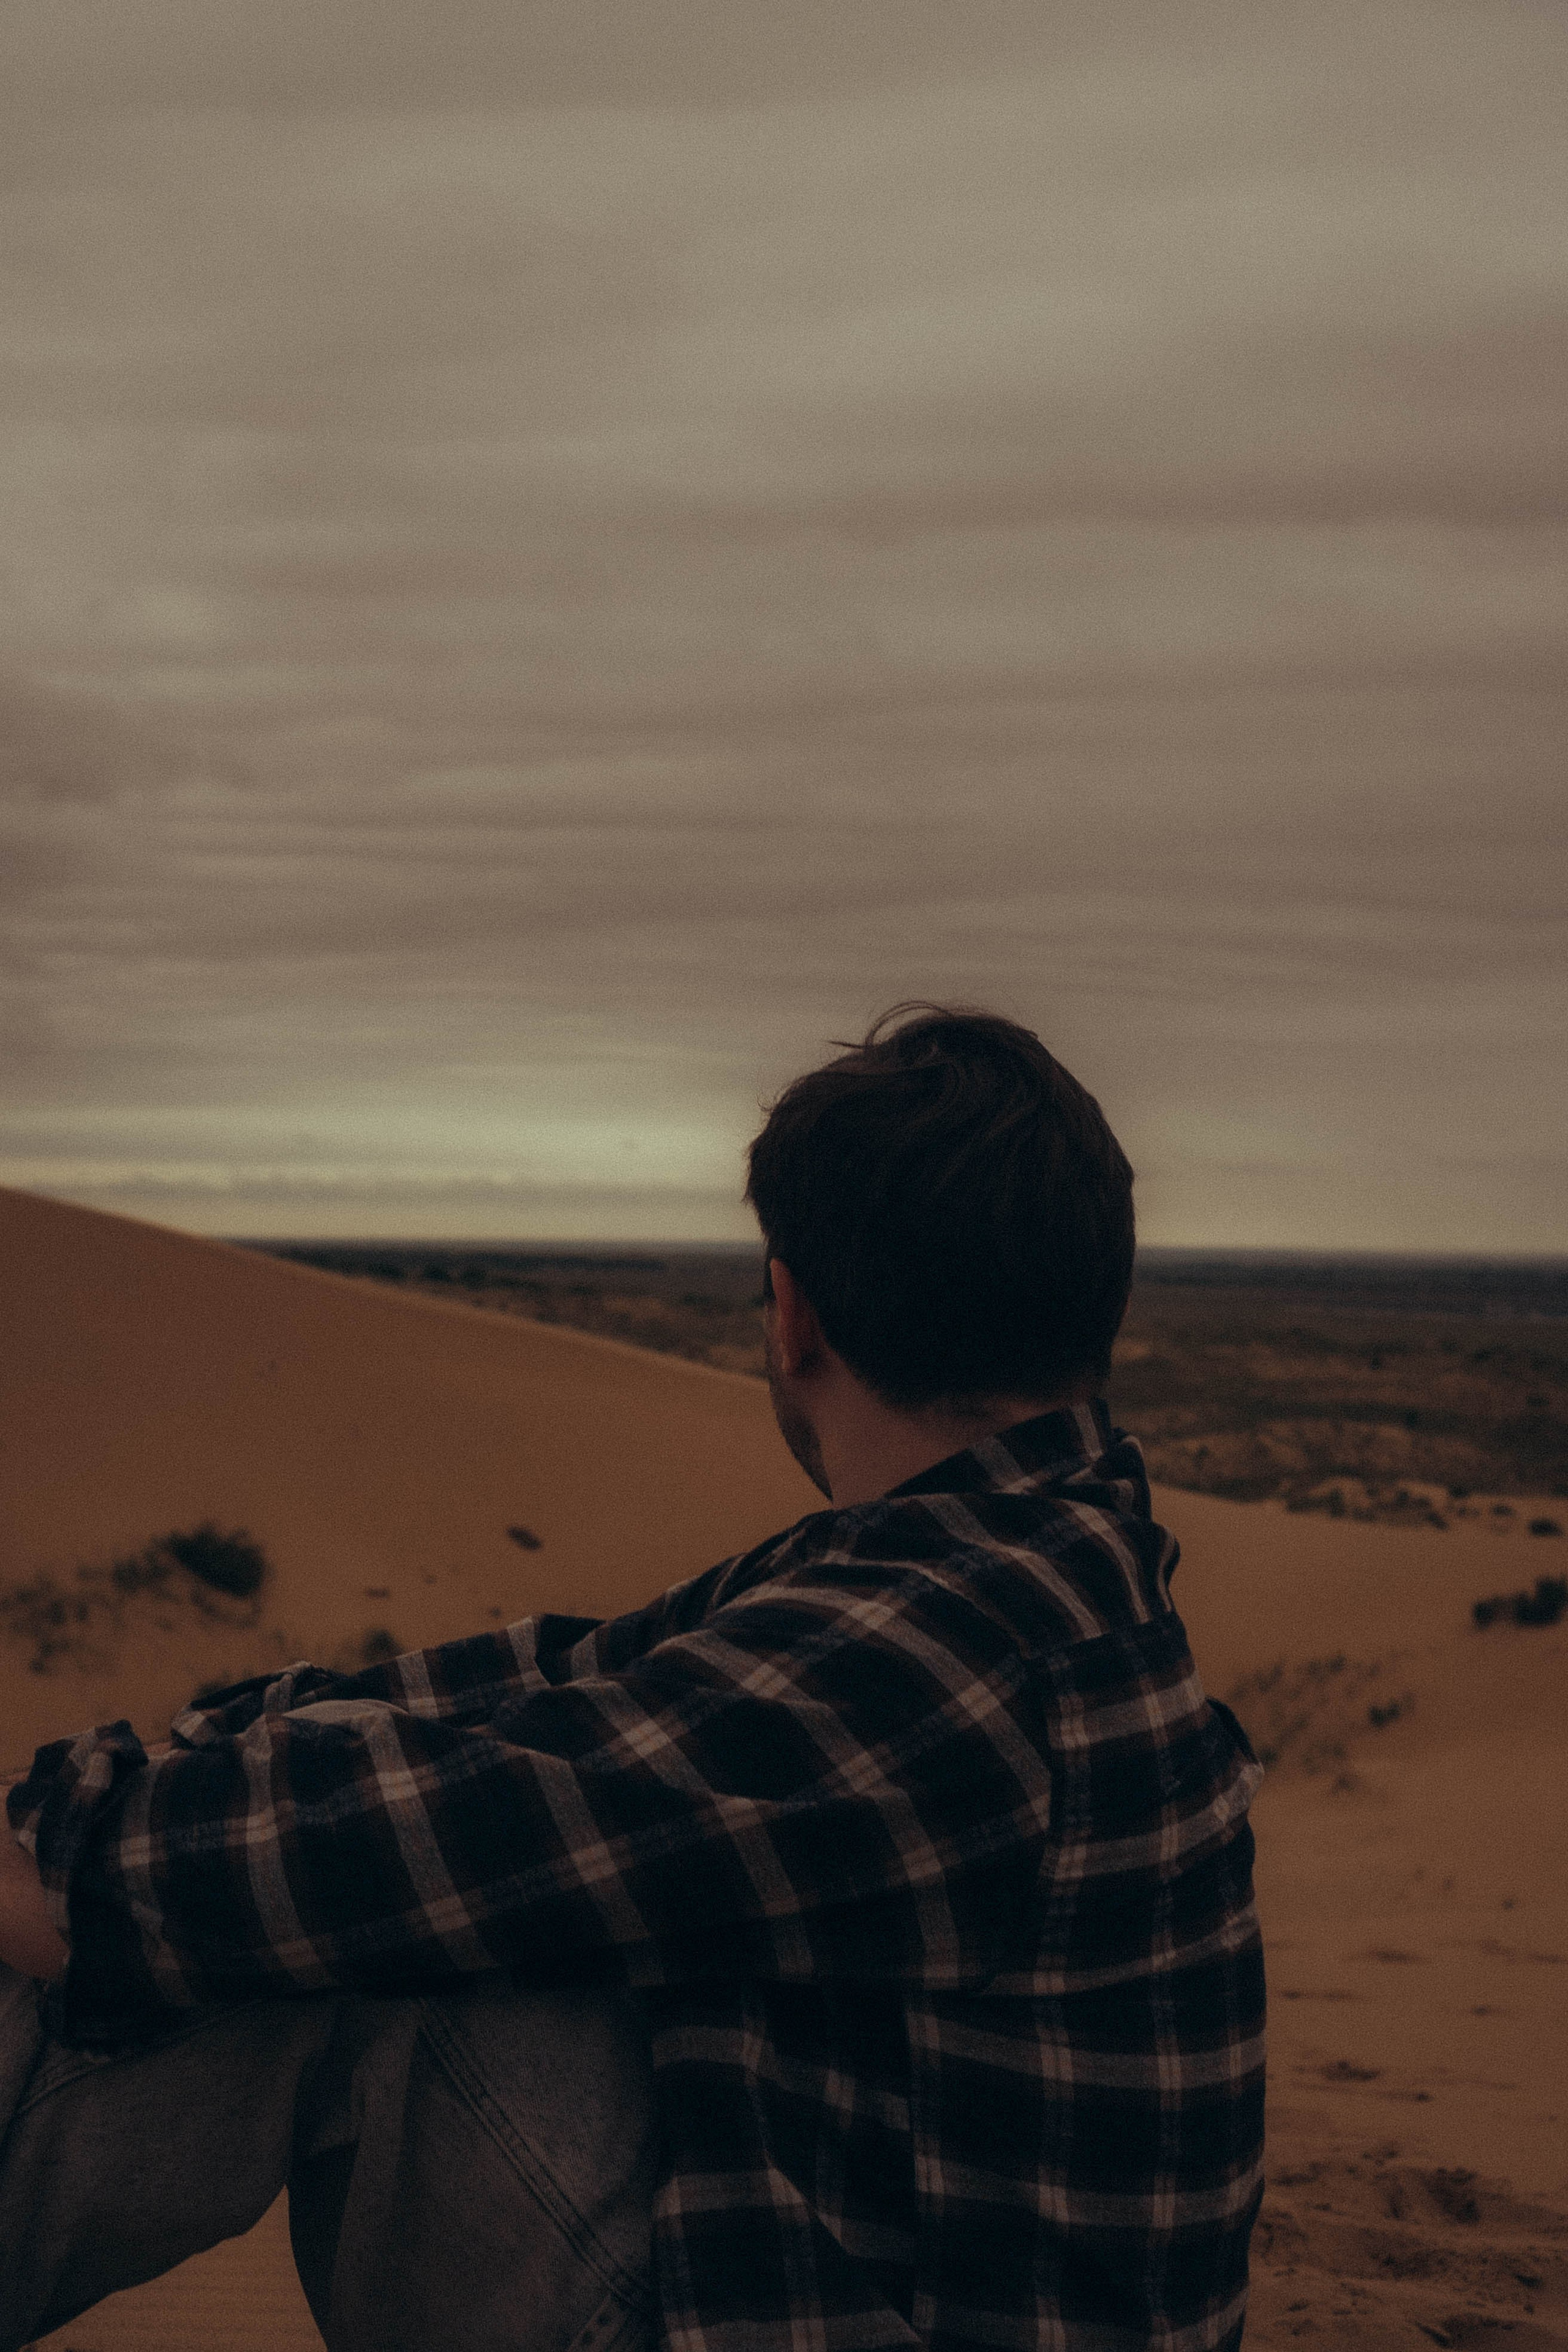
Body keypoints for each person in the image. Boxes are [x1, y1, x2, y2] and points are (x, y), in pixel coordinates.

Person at [0, 1005, 1265, 2352]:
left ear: (792, 1315)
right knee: (359, 1857)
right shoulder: (1012, 1565)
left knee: (358, 1937)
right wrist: (195, 1761)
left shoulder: (962, 1655)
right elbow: (558, 1689)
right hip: (863, 2268)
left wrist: (76, 1863)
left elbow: (458, 1831)